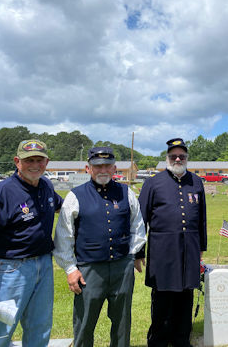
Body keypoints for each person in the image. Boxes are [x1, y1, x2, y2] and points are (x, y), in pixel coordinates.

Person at [53, 147, 146, 347]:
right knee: (84, 323)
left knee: (122, 323)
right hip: (89, 270)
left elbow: (137, 227)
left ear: (114, 168)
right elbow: (64, 236)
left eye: (107, 165)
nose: (102, 169)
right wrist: (70, 269)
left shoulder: (126, 193)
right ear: (88, 168)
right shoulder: (75, 196)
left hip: (122, 268)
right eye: (97, 166)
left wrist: (130, 257)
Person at [0, 139, 63, 346]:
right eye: (28, 160)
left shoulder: (46, 186)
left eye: (39, 160)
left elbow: (63, 208)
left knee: (40, 328)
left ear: (46, 162)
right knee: (0, 330)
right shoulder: (0, 193)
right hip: (11, 270)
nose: (34, 165)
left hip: (44, 266)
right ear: (16, 161)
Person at [137, 138, 207, 347]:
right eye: (173, 156)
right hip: (162, 251)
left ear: (186, 158)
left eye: (182, 156)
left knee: (185, 296)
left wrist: (201, 248)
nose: (178, 159)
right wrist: (139, 251)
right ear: (167, 158)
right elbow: (141, 219)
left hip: (189, 251)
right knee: (162, 298)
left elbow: (201, 218)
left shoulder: (196, 182)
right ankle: (158, 339)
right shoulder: (153, 183)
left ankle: (181, 338)